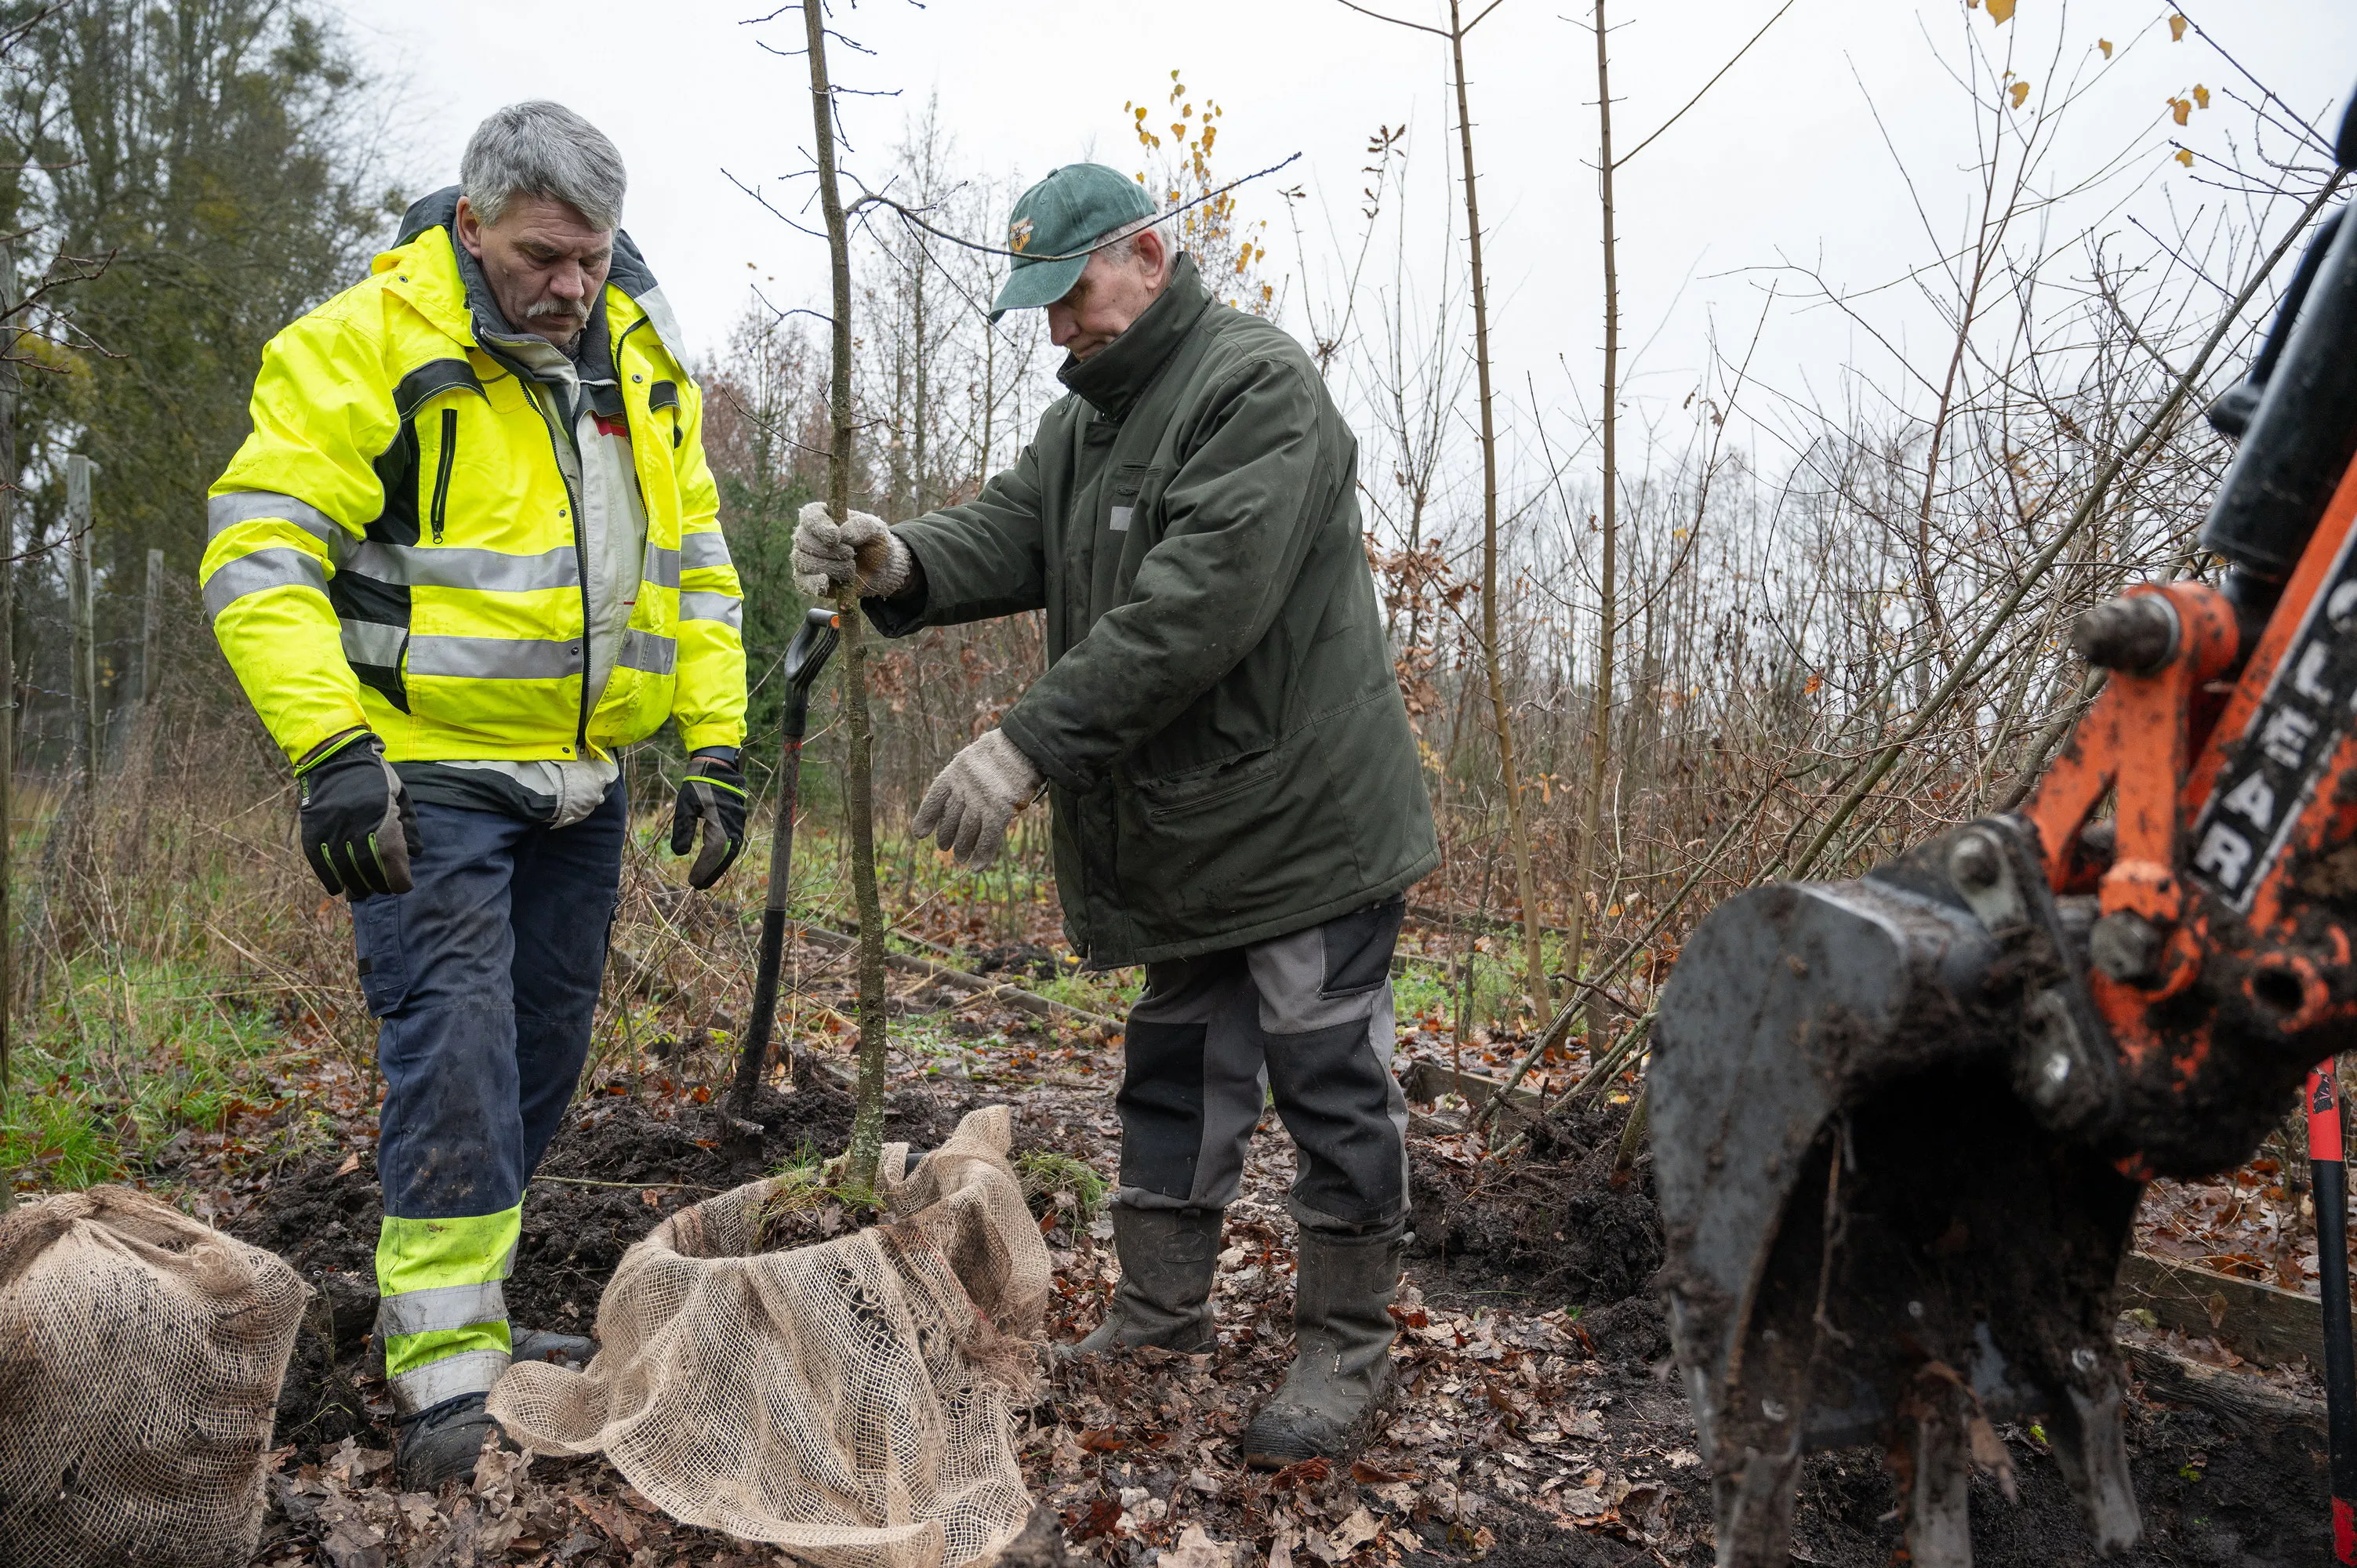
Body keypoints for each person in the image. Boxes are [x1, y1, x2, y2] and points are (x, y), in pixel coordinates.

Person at [793, 162, 1439, 1468]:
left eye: (1073, 293)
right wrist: (896, 559)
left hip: (1305, 825)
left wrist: (1024, 744)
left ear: (1146, 255)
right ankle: (1158, 1317)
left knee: (1328, 1080)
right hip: (1188, 832)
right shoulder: (1087, 421)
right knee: (1177, 1072)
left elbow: (1197, 605)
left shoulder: (1253, 388)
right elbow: (1011, 531)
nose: (1059, 326)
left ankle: (1345, 1345)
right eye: (1040, 302)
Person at [200, 101, 749, 1488]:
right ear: (469, 224)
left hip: (585, 780)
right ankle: (444, 1374)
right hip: (426, 773)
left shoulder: (637, 360)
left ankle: (477, 1311)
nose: (568, 285)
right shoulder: (364, 345)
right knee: (456, 1044)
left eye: (591, 257)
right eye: (538, 256)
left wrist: (716, 741)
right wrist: (329, 748)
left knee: (540, 1049)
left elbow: (695, 561)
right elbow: (260, 551)